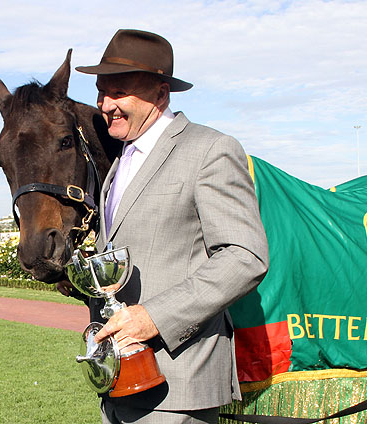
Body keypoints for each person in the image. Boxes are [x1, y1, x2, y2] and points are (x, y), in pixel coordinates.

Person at [74, 29, 269, 423]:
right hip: (121, 383)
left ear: (160, 95)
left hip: (178, 384)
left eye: (118, 91)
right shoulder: (120, 162)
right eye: (100, 92)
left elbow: (244, 257)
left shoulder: (210, 150)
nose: (104, 104)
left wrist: (154, 317)